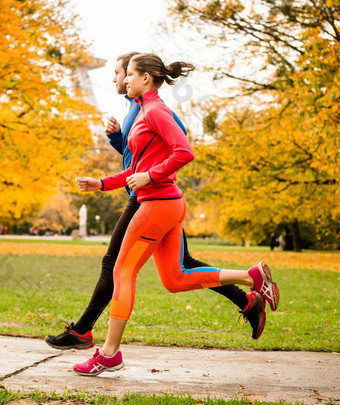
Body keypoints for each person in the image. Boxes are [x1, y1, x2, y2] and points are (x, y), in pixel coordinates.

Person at [71, 53, 279, 376]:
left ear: (145, 79)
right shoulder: (142, 110)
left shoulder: (156, 111)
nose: (124, 79)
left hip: (157, 204)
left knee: (121, 272)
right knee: (175, 278)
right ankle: (249, 277)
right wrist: (100, 184)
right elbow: (134, 170)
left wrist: (152, 177)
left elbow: (184, 151)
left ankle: (109, 353)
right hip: (163, 203)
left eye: (130, 75)